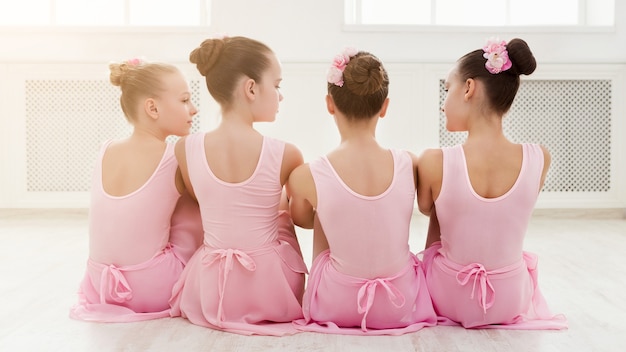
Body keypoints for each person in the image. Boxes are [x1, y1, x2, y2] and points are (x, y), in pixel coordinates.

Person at [417, 38, 567, 329]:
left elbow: (428, 211)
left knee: (439, 222)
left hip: (448, 296)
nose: (443, 104)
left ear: (469, 88)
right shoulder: (539, 158)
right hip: (511, 299)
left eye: (447, 90)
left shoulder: (434, 162)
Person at [287, 48, 437, 335]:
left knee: (322, 212)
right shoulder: (409, 163)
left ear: (330, 104)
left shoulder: (308, 174)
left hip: (336, 302)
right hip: (401, 301)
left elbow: (302, 220)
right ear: (384, 107)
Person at [168, 36, 308, 336]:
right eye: (277, 85)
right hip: (269, 288)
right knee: (281, 212)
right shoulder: (286, 153)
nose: (280, 96)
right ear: (251, 88)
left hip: (209, 287)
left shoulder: (185, 148)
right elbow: (301, 216)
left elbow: (201, 199)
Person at [70, 58, 203, 322]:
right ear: (152, 108)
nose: (194, 109)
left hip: (101, 286)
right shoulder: (175, 154)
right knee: (195, 204)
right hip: (152, 288)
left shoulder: (105, 149)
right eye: (185, 100)